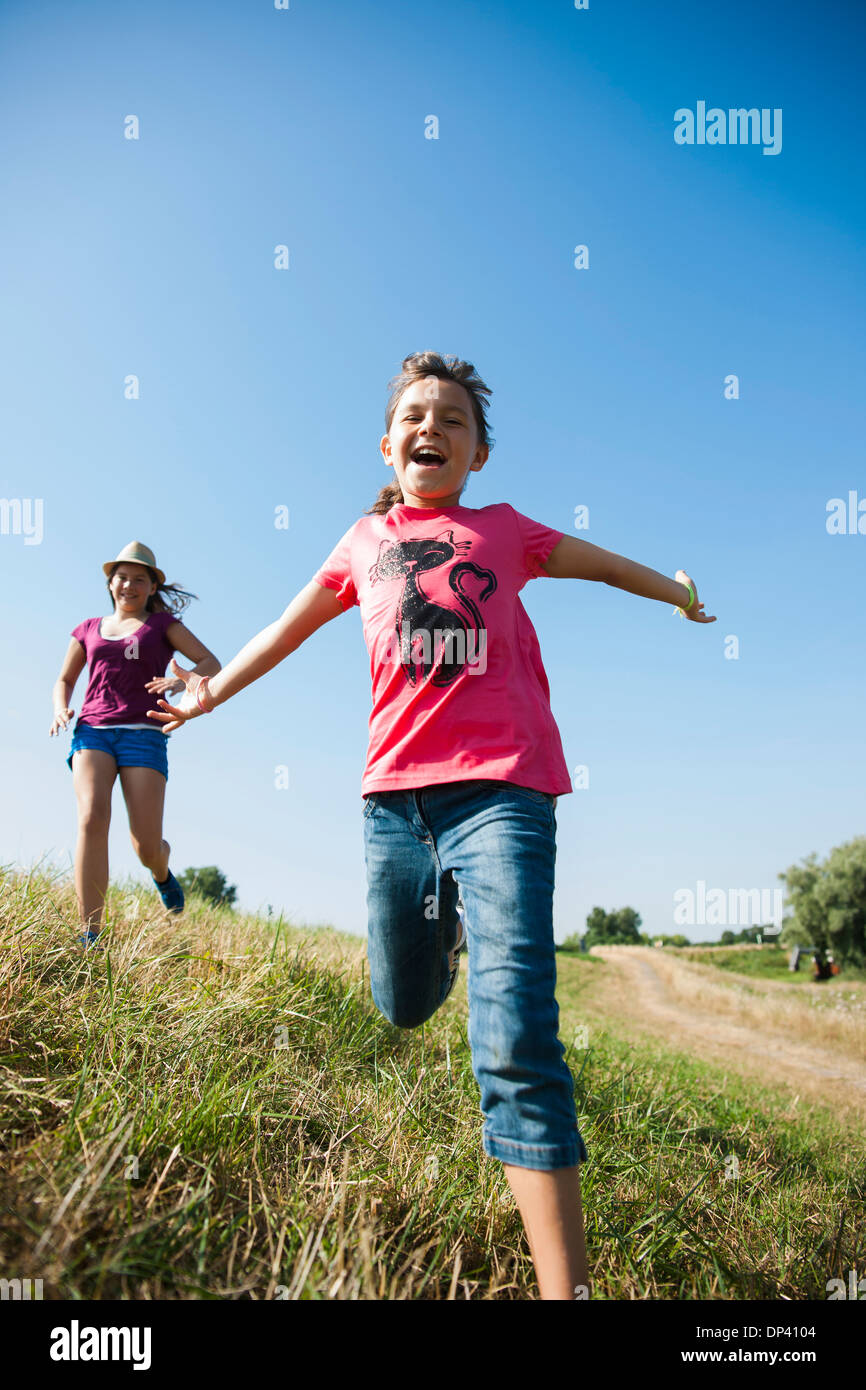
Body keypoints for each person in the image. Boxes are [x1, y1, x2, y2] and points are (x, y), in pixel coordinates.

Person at [147, 352, 716, 1299]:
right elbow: (283, 630)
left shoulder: (505, 532)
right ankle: (438, 935)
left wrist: (679, 593)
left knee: (516, 1034)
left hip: (503, 792)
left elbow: (605, 565)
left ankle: (564, 1291)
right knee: (403, 1005)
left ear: (478, 454)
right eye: (416, 414)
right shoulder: (364, 540)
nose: (433, 428)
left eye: (454, 420)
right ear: (388, 443)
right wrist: (208, 692)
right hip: (394, 804)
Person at [49, 542, 220, 947]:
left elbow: (210, 662)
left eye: (139, 579)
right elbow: (65, 680)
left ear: (151, 587)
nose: (129, 584)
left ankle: (161, 873)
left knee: (146, 845)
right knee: (92, 816)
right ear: (110, 583)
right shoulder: (88, 629)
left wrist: (181, 681)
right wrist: (60, 708)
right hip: (93, 729)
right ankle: (90, 931)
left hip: (145, 734)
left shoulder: (162, 626)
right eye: (122, 577)